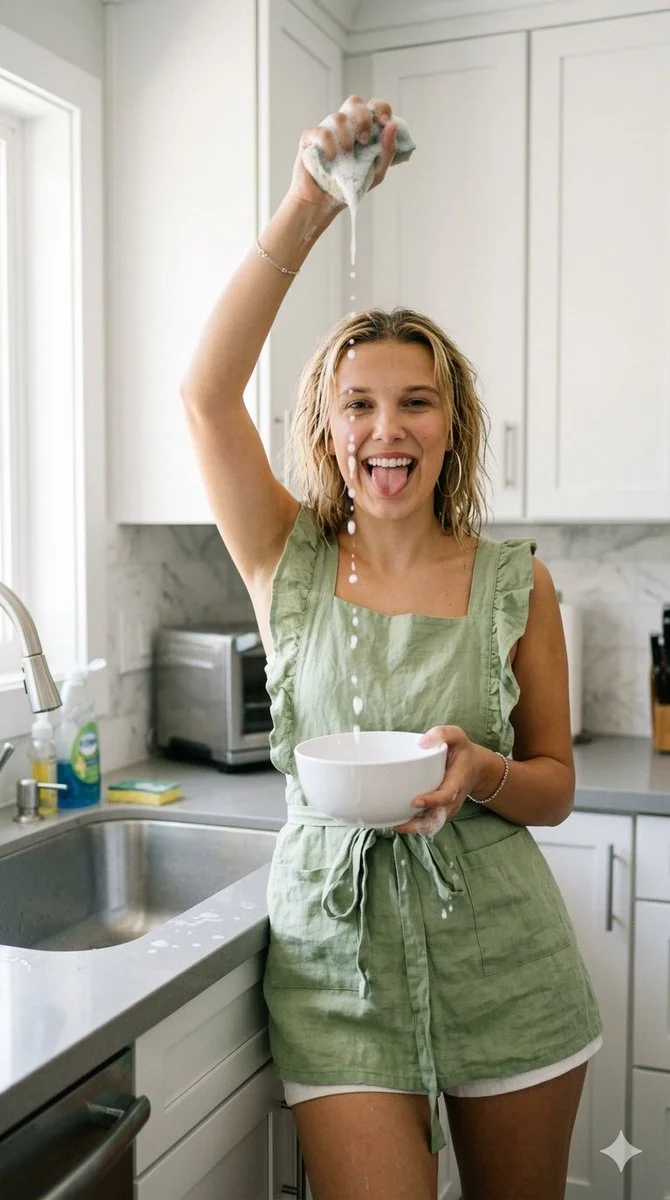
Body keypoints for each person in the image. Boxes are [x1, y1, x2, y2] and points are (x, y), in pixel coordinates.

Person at [181, 95, 603, 1200]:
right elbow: (203, 393)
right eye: (358, 405)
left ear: (450, 422)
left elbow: (555, 787)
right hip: (335, 973)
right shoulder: (287, 560)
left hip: (506, 963)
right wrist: (307, 204)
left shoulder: (522, 584)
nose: (386, 429)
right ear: (328, 428)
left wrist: (483, 773)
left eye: (415, 402)